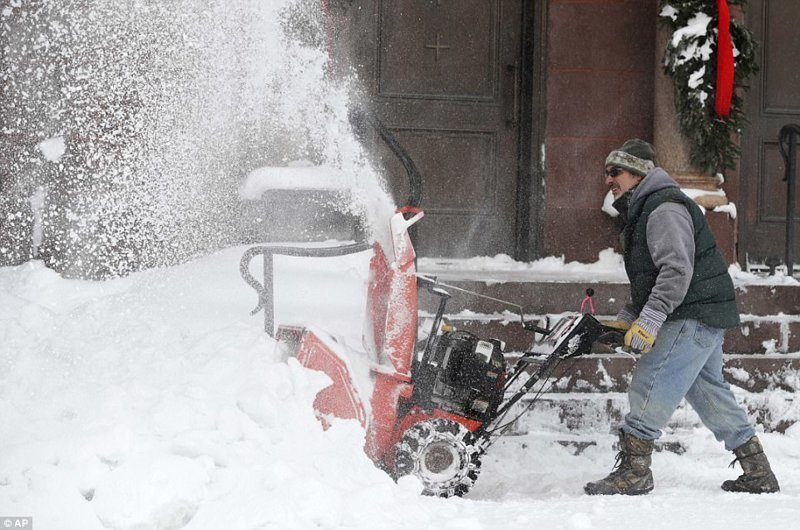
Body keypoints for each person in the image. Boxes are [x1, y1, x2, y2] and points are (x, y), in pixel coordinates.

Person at [584, 139, 780, 496]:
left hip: (690, 312)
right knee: (709, 393)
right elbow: (651, 277)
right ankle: (757, 470)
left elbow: (675, 271)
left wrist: (650, 319)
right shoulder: (647, 208)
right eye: (606, 173)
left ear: (638, 172)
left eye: (616, 172)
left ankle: (635, 472)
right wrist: (630, 315)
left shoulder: (663, 209)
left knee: (650, 381)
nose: (609, 180)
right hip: (702, 310)